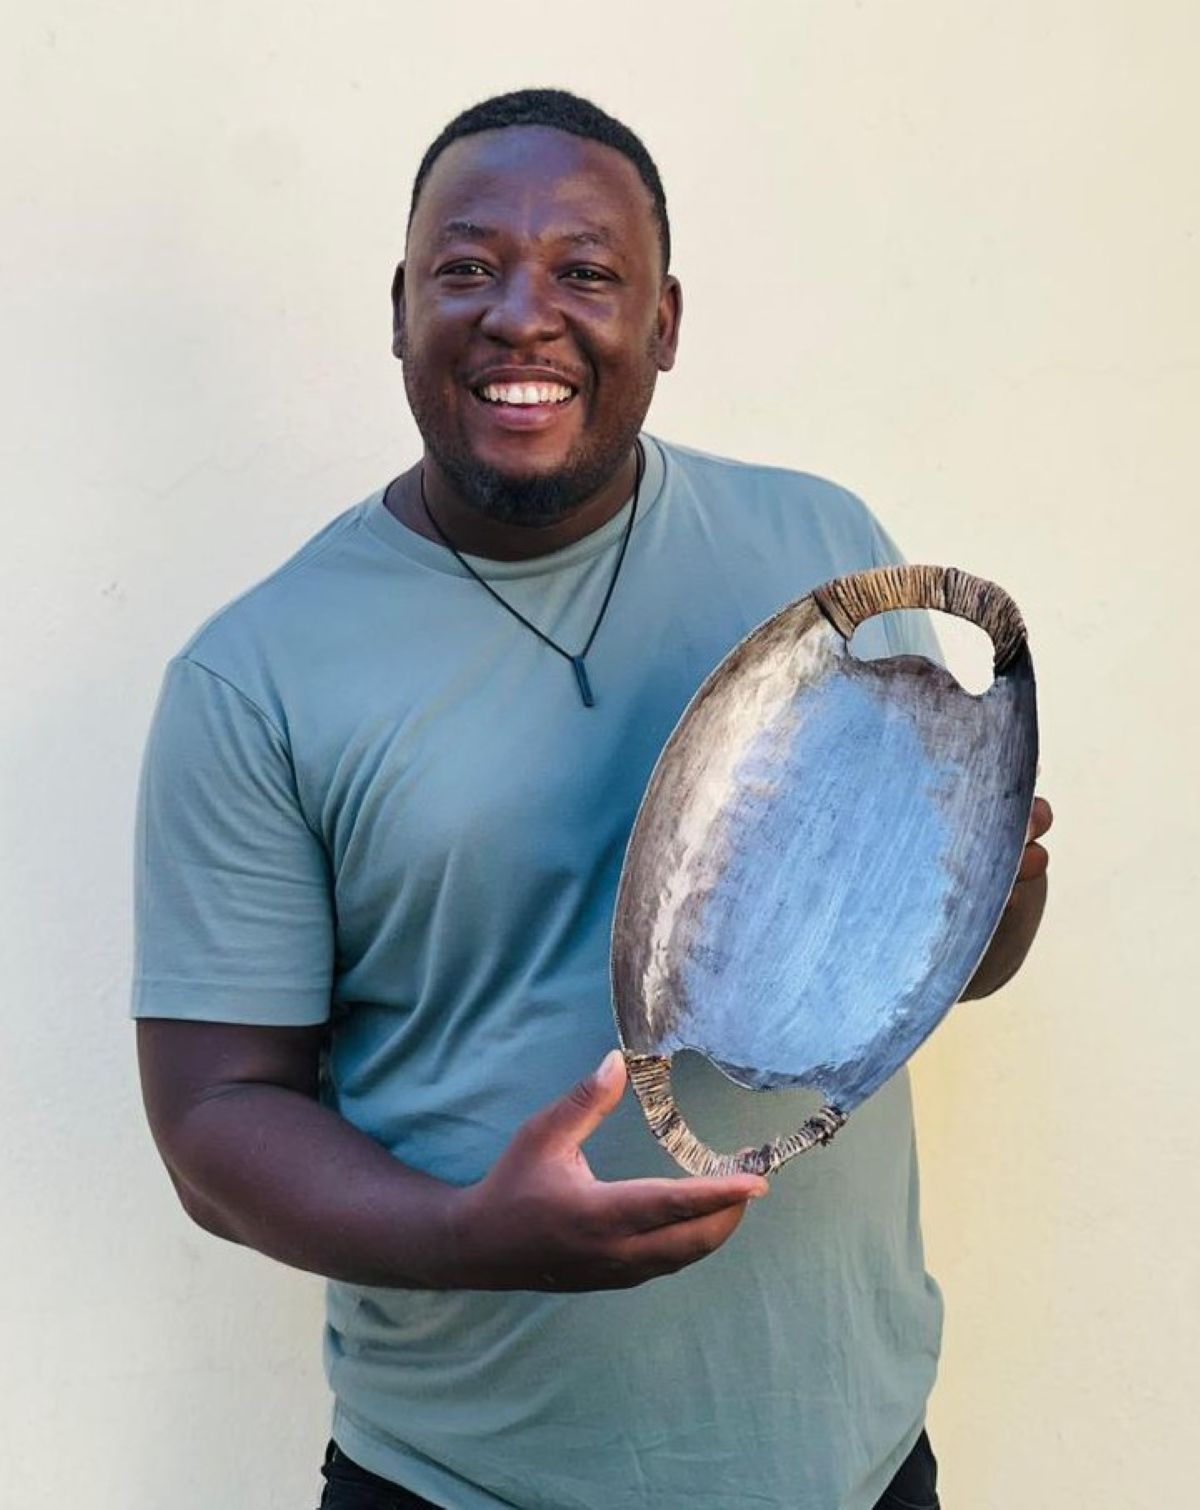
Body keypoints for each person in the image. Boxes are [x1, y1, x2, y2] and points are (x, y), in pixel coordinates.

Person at [133, 88, 1051, 1510]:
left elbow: (908, 956)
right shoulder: (255, 675)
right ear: (398, 308)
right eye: (466, 267)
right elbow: (213, 1118)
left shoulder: (822, 548)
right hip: (466, 1480)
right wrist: (471, 1233)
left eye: (585, 270)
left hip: (859, 1460)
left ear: (665, 321)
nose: (522, 314)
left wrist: (992, 908)